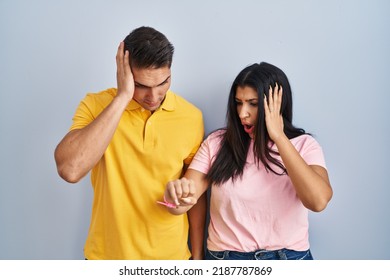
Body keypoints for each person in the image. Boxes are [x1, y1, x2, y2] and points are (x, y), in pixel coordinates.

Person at [54, 26, 205, 260]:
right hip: (107, 259)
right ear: (123, 72)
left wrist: (196, 256)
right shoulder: (96, 105)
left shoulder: (191, 117)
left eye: (163, 83)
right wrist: (123, 96)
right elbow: (70, 170)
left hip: (172, 260)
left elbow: (193, 192)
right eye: (142, 86)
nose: (153, 97)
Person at [163, 62, 333, 260]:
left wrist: (279, 137)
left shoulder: (304, 145)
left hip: (288, 258)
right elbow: (181, 203)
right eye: (238, 102)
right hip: (226, 259)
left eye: (253, 104)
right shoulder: (217, 143)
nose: (243, 113)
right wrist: (175, 195)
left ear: (277, 104)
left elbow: (318, 202)